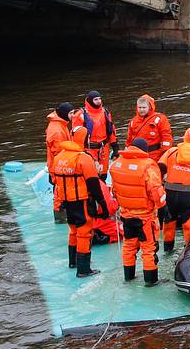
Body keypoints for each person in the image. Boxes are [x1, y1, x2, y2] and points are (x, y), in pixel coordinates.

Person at [52, 125, 109, 277]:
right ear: (84, 139)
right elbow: (93, 184)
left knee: (73, 230)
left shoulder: (59, 157)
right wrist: (103, 203)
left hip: (66, 201)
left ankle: (73, 262)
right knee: (84, 233)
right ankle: (83, 269)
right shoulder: (83, 158)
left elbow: (55, 182)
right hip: (82, 201)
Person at [110, 138, 167, 285]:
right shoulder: (148, 166)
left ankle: (128, 277)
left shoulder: (116, 165)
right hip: (145, 217)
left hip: (126, 215)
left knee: (129, 246)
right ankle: (151, 281)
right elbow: (156, 190)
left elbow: (114, 190)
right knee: (149, 248)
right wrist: (163, 207)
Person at [78, 90, 117, 176]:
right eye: (96, 99)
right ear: (90, 100)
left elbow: (111, 130)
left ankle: (103, 187)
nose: (98, 101)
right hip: (89, 149)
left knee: (103, 174)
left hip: (103, 148)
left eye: (99, 99)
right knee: (90, 174)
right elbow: (76, 135)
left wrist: (115, 147)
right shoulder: (81, 114)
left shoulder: (105, 112)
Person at [45, 102, 75, 177]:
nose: (73, 115)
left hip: (55, 166)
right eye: (71, 113)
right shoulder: (57, 131)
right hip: (58, 169)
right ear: (64, 114)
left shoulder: (60, 123)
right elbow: (59, 153)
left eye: (73, 113)